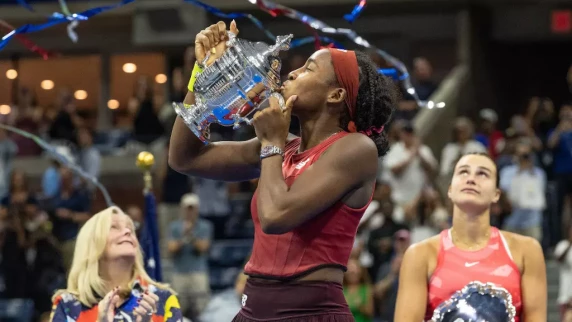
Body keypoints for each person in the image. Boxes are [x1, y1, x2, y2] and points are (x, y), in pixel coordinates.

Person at [169, 20, 395, 322]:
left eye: (308, 69)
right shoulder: (280, 146)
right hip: (252, 309)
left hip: (311, 312)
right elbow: (184, 158)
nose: (292, 72)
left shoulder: (356, 149)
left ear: (336, 96)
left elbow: (276, 217)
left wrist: (272, 143)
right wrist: (204, 80)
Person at [394, 153, 547, 321]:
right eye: (463, 172)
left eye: (482, 173)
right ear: (450, 190)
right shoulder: (420, 254)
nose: (471, 179)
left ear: (496, 194)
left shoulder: (526, 250)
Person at [49, 206, 182, 322]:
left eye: (131, 227)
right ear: (92, 243)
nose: (128, 231)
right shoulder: (67, 305)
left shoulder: (163, 301)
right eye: (114, 227)